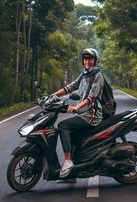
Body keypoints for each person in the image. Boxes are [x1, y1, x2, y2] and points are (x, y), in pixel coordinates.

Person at [52, 48, 105, 179]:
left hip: (91, 115)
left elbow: (91, 97)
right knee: (72, 135)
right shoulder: (84, 75)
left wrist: (76, 108)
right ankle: (73, 173)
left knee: (63, 126)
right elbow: (70, 87)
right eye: (85, 59)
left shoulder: (98, 76)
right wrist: (51, 96)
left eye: (90, 59)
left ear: (95, 61)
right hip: (84, 114)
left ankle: (68, 162)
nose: (87, 61)